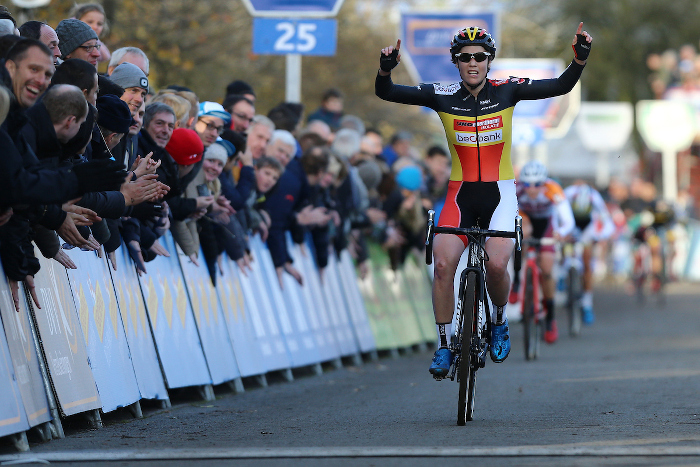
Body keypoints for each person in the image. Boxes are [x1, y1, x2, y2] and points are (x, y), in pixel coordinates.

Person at [376, 23, 592, 375]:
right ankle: (445, 344)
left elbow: (561, 85)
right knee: (443, 266)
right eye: (465, 57)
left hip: (500, 194)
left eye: (479, 57)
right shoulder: (441, 94)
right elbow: (385, 91)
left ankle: (499, 320)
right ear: (456, 62)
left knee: (495, 265)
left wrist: (579, 58)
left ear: (489, 60)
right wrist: (386, 68)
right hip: (458, 195)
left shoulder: (507, 91)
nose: (472, 62)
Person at [514, 161, 575, 343]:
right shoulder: (516, 189)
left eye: (537, 184)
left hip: (547, 224)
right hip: (527, 221)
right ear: (521, 183)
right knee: (521, 233)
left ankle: (550, 317)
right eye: (527, 184)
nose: (532, 189)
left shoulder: (552, 189)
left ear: (544, 182)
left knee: (547, 270)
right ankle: (516, 280)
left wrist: (561, 233)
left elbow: (568, 221)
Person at [563, 181, 615, 324]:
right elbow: (556, 215)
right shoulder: (568, 194)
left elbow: (607, 221)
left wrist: (601, 235)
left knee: (587, 261)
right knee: (564, 246)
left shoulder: (594, 197)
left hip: (587, 227)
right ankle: (563, 271)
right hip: (571, 224)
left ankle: (587, 304)